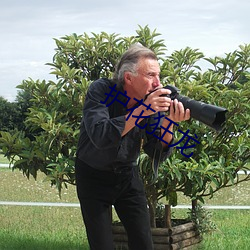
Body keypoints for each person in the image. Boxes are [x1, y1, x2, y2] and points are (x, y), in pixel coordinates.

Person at [75, 44, 190, 250]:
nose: (158, 83)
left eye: (159, 75)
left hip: (127, 176)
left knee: (144, 243)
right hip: (93, 177)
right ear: (128, 78)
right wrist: (144, 110)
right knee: (101, 245)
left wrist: (170, 121)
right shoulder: (101, 90)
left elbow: (156, 149)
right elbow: (100, 135)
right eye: (151, 75)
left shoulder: (150, 103)